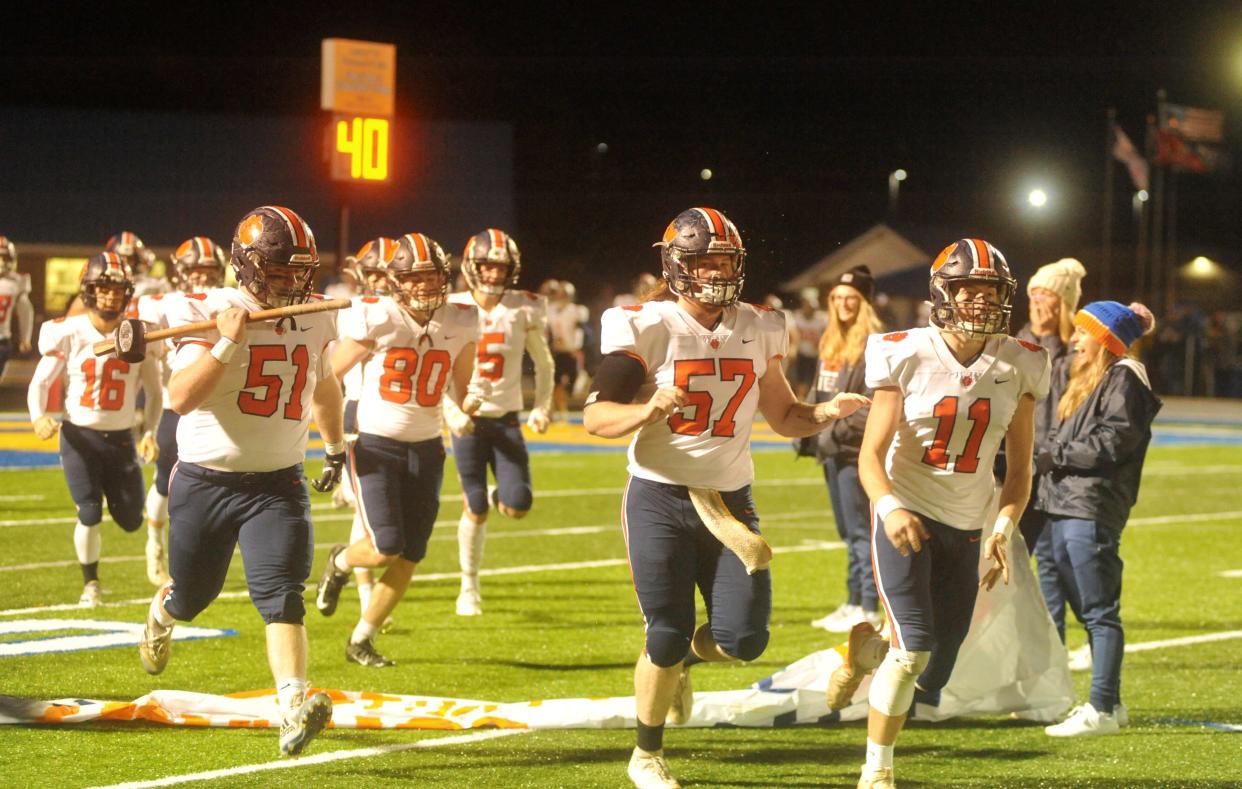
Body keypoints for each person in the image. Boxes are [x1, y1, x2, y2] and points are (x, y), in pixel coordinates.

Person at [584, 207, 868, 789]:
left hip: (728, 503)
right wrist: (646, 408)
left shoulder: (760, 323)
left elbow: (784, 415)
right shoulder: (645, 323)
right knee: (663, 631)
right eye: (705, 261)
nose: (717, 272)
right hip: (660, 496)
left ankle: (682, 663)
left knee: (744, 641)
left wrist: (823, 415)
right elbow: (596, 415)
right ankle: (646, 754)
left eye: (725, 261)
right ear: (676, 266)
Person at [136, 206, 344, 758]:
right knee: (194, 595)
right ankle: (164, 612)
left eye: (297, 271)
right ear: (247, 266)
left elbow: (323, 386)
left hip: (278, 483)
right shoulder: (209, 309)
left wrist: (336, 446)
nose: (290, 282)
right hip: (207, 480)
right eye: (277, 270)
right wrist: (227, 343)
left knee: (282, 596)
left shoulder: (318, 312)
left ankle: (292, 707)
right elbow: (180, 398)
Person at [848, 239, 1049, 789]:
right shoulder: (903, 350)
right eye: (970, 291)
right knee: (914, 649)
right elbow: (869, 456)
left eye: (991, 293)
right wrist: (889, 508)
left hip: (967, 521)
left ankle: (870, 650)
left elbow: (1019, 471)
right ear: (944, 294)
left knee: (936, 670)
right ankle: (877, 772)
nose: (982, 303)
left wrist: (1002, 529)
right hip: (907, 512)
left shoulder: (1023, 362)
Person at [316, 232, 481, 666]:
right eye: (416, 278)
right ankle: (340, 561)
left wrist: (472, 401)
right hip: (376, 445)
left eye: (433, 278)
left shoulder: (461, 319)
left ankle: (361, 639)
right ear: (396, 281)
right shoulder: (377, 317)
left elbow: (462, 389)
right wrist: (330, 433)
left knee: (411, 554)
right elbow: (327, 376)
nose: (426, 287)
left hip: (428, 448)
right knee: (386, 545)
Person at [1037, 301, 1160, 737]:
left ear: (1104, 339)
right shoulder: (1092, 377)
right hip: (1065, 501)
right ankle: (1113, 703)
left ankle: (1102, 709)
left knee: (1100, 611)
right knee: (1086, 609)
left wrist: (1056, 455)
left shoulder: (1125, 377)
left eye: (1083, 332)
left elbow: (1114, 441)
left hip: (1091, 505)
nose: (1074, 339)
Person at [27, 252, 162, 605]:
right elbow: (41, 382)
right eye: (103, 288)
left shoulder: (137, 333)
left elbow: (155, 391)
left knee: (132, 520)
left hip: (120, 439)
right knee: (89, 512)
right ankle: (91, 584)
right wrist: (38, 415)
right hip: (79, 437)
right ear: (89, 290)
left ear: (127, 293)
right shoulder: (69, 332)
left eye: (117, 289)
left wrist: (149, 432)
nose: (110, 296)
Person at [445, 229, 554, 616]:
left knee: (518, 505)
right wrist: (452, 412)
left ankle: (497, 494)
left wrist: (542, 407)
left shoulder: (523, 307)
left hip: (507, 420)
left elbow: (543, 362)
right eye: (487, 267)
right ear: (473, 267)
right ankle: (468, 586)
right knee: (473, 506)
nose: (493, 275)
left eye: (500, 268)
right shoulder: (451, 306)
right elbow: (436, 368)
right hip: (468, 421)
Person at [135, 236, 228, 586]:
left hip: (220, 403)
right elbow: (145, 343)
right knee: (164, 481)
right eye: (196, 271)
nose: (203, 278)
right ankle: (155, 546)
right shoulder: (161, 304)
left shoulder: (229, 301)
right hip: (176, 402)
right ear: (181, 273)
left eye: (209, 271)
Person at [1012, 257, 1088, 666]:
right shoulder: (1020, 340)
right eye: (1033, 293)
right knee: (1022, 564)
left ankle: (1091, 630)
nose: (1037, 301)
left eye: (1046, 294)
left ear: (1064, 303)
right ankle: (1044, 651)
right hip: (1021, 470)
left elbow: (1068, 401)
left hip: (1057, 472)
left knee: (1062, 566)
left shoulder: (1074, 350)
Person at [808, 265, 884, 633]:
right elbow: (819, 393)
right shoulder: (831, 341)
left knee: (860, 533)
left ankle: (869, 606)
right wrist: (806, 428)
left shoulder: (874, 344)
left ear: (864, 302)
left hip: (854, 453)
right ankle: (853, 600)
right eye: (837, 298)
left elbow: (873, 403)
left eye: (851, 298)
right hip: (832, 452)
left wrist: (835, 433)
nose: (842, 304)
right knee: (846, 531)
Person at [335, 238, 399, 613]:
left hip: (386, 413)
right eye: (372, 273)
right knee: (366, 512)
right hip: (358, 410)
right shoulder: (353, 308)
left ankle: (357, 587)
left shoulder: (403, 312)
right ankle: (363, 597)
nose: (378, 281)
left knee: (369, 512)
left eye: (384, 273)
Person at [546, 278, 591, 422]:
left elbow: (580, 330)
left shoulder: (576, 311)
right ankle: (559, 410)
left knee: (570, 384)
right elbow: (547, 331)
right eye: (558, 294)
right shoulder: (550, 310)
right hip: (556, 351)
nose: (560, 297)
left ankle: (559, 408)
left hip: (572, 351)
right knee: (556, 383)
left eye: (563, 294)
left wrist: (578, 347)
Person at [0, 236, 35, 379]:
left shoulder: (17, 281)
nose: (1, 261)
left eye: (4, 257)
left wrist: (25, 338)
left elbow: (25, 311)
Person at [107, 231, 170, 299]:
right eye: (121, 258)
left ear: (137, 260)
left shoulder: (154, 285)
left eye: (130, 258)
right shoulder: (104, 284)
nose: (126, 262)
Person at [792, 293, 829, 397]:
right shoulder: (797, 317)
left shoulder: (822, 319)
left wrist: (821, 343)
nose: (808, 308)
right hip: (801, 352)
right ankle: (800, 398)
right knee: (800, 378)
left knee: (814, 379)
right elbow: (793, 334)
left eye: (811, 307)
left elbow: (827, 334)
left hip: (816, 354)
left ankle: (809, 398)